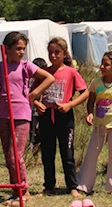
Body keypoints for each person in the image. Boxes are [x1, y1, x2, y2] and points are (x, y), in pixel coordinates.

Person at [0, 32, 54, 207]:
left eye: (23, 49)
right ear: (7, 49)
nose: (21, 52)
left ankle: (24, 190)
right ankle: (15, 190)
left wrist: (35, 93)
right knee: (8, 156)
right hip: (4, 114)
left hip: (21, 114)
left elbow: (50, 78)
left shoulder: (26, 66)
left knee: (16, 155)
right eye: (18, 48)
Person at [33, 38, 89, 198]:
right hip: (46, 116)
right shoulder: (44, 72)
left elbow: (84, 92)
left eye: (57, 52)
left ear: (64, 53)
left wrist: (70, 105)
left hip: (64, 116)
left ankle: (72, 186)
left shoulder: (71, 72)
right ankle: (49, 186)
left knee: (67, 153)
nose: (53, 55)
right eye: (50, 52)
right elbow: (32, 93)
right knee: (48, 153)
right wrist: (37, 103)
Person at [75, 51, 112, 201]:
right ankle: (84, 185)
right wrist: (90, 114)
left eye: (106, 64)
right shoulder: (96, 83)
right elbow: (91, 101)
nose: (102, 66)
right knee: (91, 155)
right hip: (99, 127)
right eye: (102, 63)